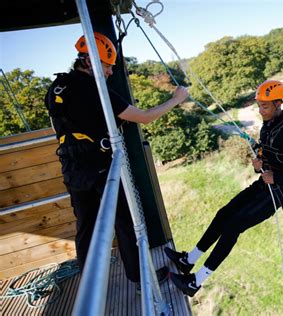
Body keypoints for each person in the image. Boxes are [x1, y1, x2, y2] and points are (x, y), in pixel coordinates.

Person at [44, 32, 189, 285]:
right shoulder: (99, 91)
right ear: (89, 61)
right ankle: (139, 280)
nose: (110, 72)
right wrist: (176, 99)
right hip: (100, 168)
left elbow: (59, 127)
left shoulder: (57, 88)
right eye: (107, 65)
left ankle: (89, 283)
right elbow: (144, 116)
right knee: (125, 222)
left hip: (72, 168)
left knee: (86, 227)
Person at [165, 80, 283, 296]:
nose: (260, 111)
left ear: (278, 104)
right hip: (264, 184)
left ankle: (195, 282)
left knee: (233, 226)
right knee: (224, 214)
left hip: (278, 192)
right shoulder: (268, 125)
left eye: (265, 106)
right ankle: (188, 260)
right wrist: (260, 164)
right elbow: (269, 155)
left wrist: (276, 176)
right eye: (259, 106)